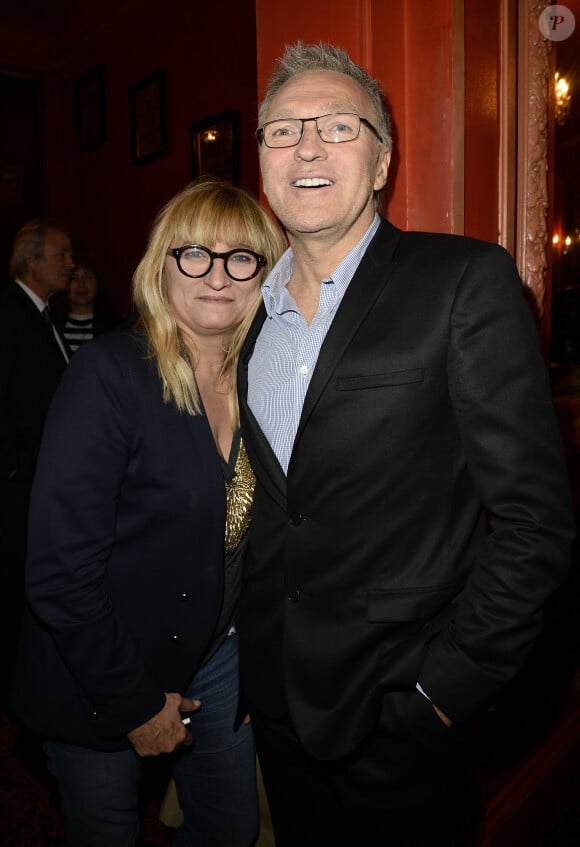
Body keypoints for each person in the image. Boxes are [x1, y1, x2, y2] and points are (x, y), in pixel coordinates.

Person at [236, 41, 576, 847]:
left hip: (403, 710)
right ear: (262, 163)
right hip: (277, 701)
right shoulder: (244, 311)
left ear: (383, 163)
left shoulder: (463, 282)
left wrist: (446, 687)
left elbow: (535, 519)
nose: (307, 146)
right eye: (282, 131)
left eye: (337, 126)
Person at [11, 179, 285, 847]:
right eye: (195, 253)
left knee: (231, 825)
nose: (218, 274)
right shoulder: (108, 374)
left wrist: (260, 670)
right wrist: (134, 700)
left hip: (217, 657)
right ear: (161, 266)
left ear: (266, 275)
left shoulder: (266, 379)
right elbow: (58, 572)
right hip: (99, 666)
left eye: (241, 257)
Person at [0, 218, 73, 707]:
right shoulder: (9, 315)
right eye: (62, 255)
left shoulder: (45, 315)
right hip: (20, 481)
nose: (71, 264)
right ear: (33, 261)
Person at [56, 256, 119, 353]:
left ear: (97, 283)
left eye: (88, 277)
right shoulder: (53, 325)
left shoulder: (115, 327)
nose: (81, 284)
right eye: (73, 277)